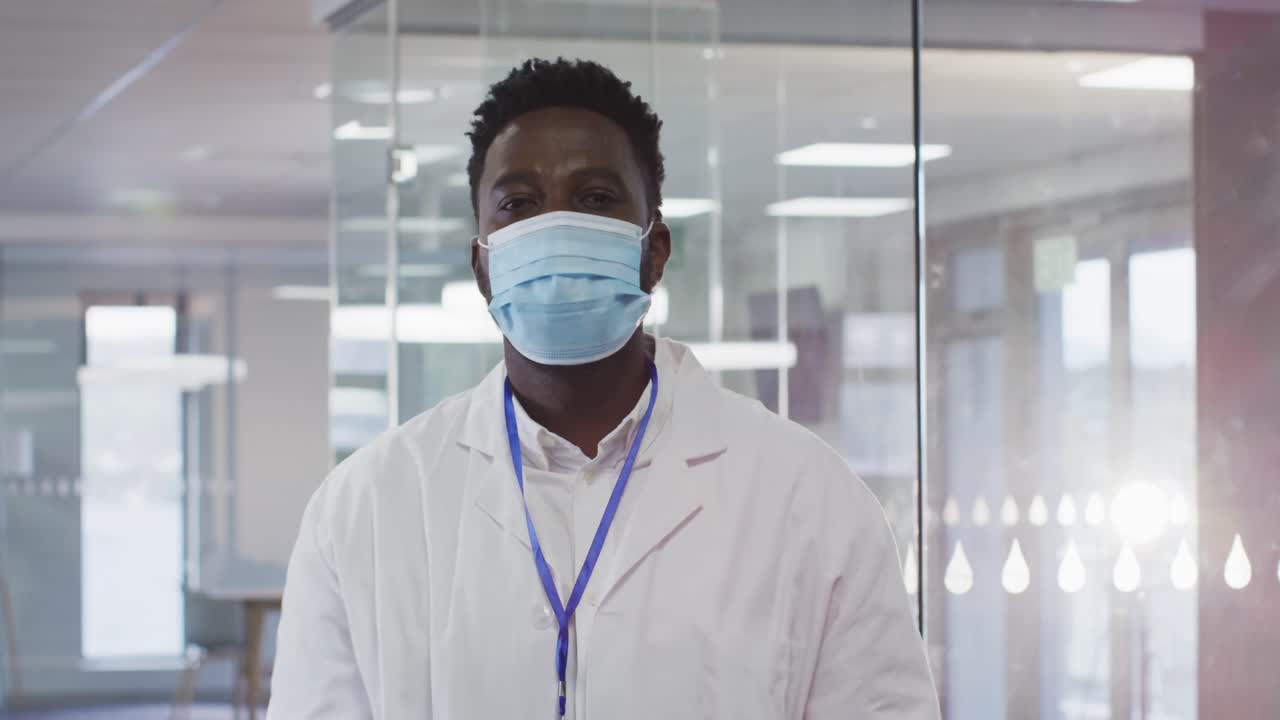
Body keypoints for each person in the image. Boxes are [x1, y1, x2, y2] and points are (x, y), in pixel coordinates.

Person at [269, 58, 939, 719]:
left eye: (595, 198)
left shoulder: (808, 498)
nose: (555, 227)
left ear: (654, 252)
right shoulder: (365, 509)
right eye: (518, 204)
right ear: (482, 267)